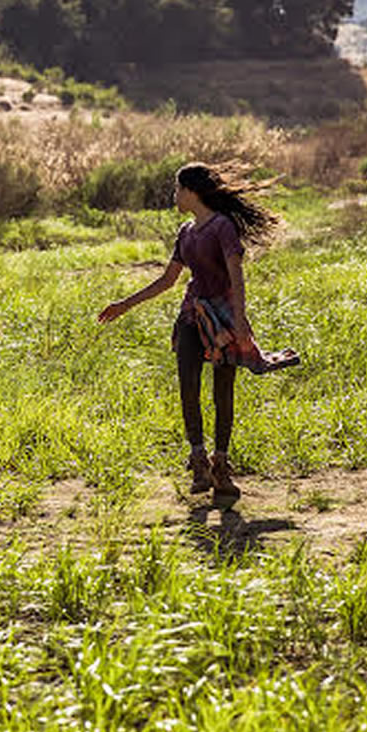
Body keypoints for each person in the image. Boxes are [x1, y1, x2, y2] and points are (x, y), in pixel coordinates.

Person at [97, 162, 292, 497]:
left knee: (222, 392)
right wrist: (124, 305)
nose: (175, 196)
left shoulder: (223, 227)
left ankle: (221, 464)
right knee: (188, 388)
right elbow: (168, 281)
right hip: (192, 316)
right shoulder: (186, 233)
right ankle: (198, 460)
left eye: (177, 190)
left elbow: (236, 276)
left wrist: (241, 319)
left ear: (190, 192)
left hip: (224, 319)